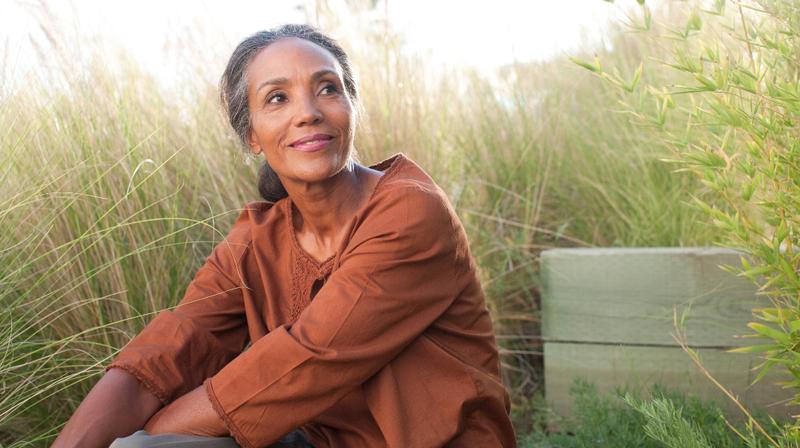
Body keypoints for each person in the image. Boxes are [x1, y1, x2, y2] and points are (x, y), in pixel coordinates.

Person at [52, 24, 516, 448]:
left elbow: (310, 359)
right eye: (277, 98)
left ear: (351, 108)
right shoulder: (256, 240)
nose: (308, 113)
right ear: (251, 135)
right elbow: (171, 348)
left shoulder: (410, 211)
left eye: (327, 89)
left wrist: (150, 435)